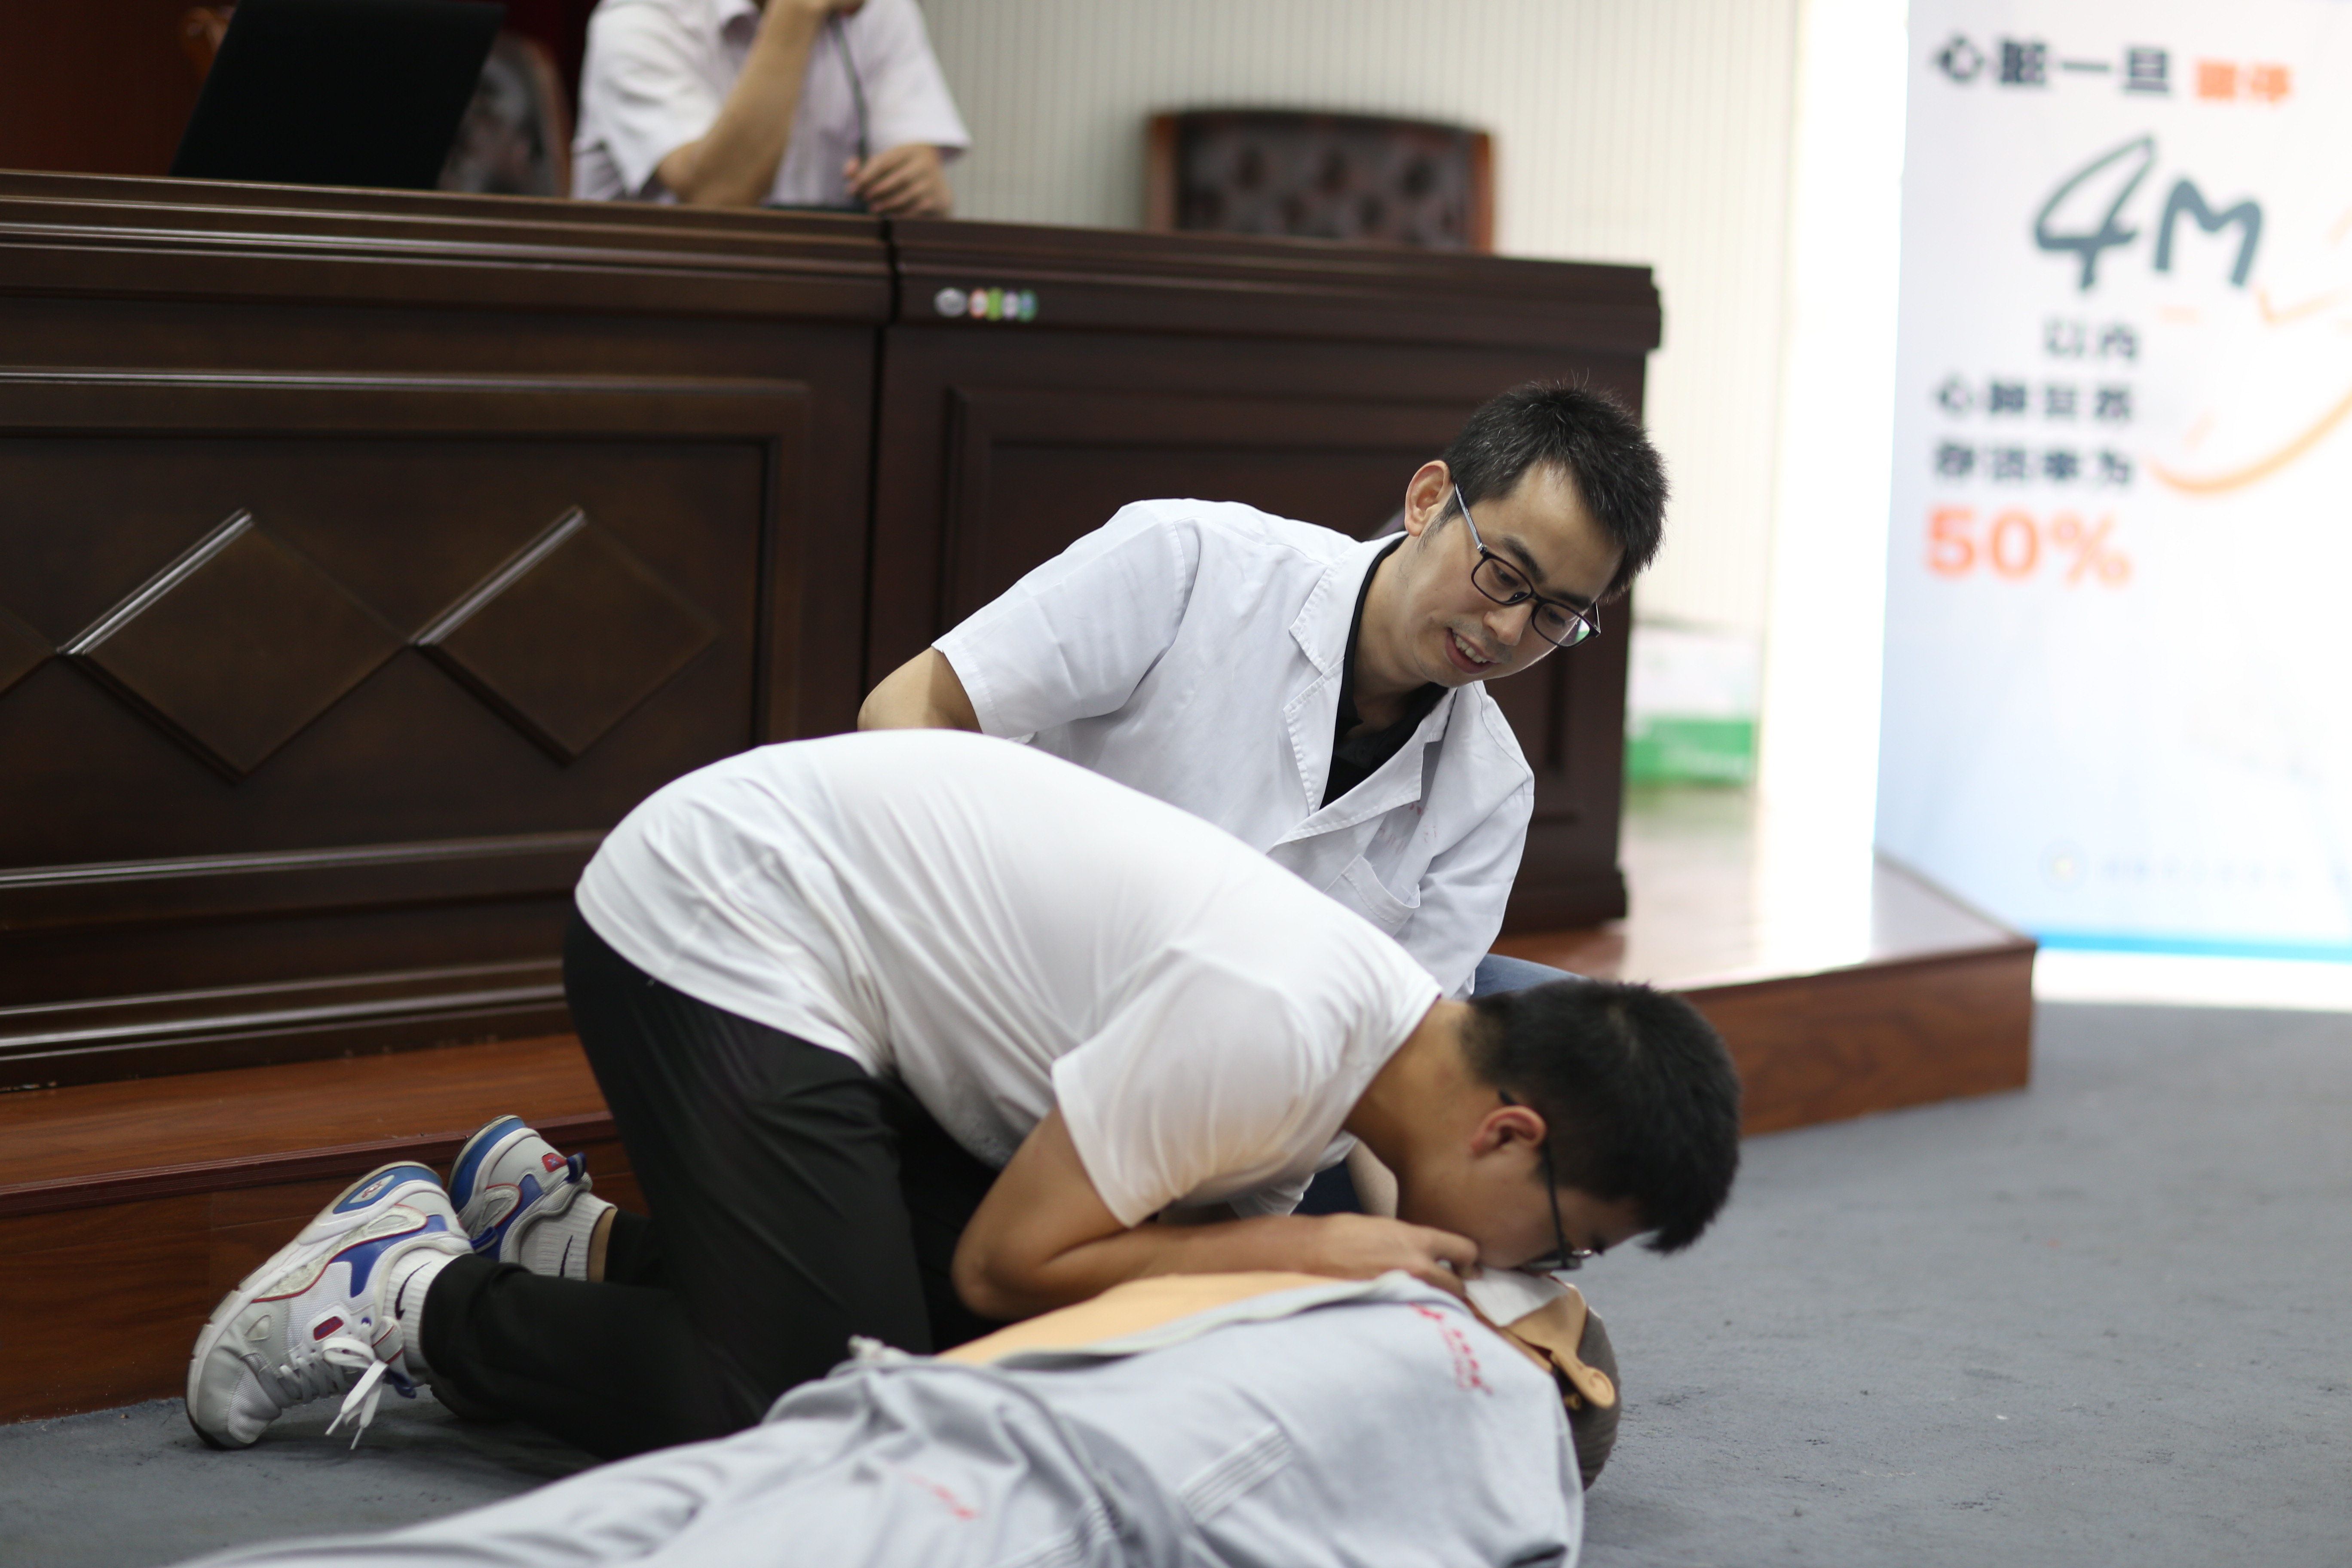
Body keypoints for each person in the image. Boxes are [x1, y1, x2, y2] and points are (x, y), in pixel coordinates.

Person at [186, 731, 1740, 1461]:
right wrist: (1316, 1250)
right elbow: (1015, 1264)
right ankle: (407, 1291)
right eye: (1565, 1237)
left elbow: (1117, 1291)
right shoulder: (1283, 1021)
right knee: (814, 1402)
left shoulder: (1357, 1065)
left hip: (853, 996)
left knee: (950, 1358)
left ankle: (565, 1240)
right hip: (718, 918)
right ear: (1510, 1131)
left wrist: (1327, 1270)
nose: (1540, 1269)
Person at [858, 382, 1669, 1004]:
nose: (1507, 629)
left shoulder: (1489, 793)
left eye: (1555, 615)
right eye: (1505, 573)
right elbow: (910, 708)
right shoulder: (1190, 564)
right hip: (1007, 979)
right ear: (1428, 502)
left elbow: (1403, 1042)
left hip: (1227, 1104)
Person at [177, 1272, 1617, 1568]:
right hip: (974, 1464)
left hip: (935, 1437)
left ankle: (453, 1280)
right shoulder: (1392, 1307)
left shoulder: (1482, 1386)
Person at [573, 0, 968, 213]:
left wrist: (919, 189)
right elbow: (718, 198)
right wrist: (796, 12)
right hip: (659, 313)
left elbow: (918, 170)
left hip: (823, 300)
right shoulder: (638, 19)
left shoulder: (879, 11)